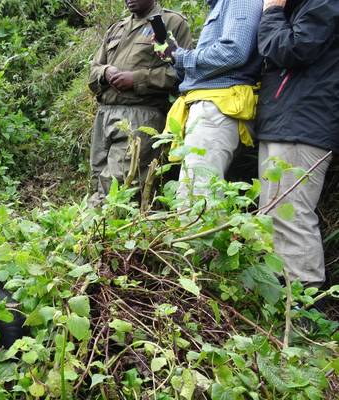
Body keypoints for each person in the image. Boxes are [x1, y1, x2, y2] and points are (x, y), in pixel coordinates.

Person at [256, 0, 339, 289]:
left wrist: (272, 12)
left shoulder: (325, 2)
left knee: (292, 216)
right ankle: (281, 304)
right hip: (283, 122)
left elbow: (292, 48)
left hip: (303, 124)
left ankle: (307, 309)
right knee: (273, 214)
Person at [88, 0, 192, 203]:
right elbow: (92, 71)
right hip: (105, 114)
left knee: (120, 187)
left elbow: (181, 73)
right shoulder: (117, 27)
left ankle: (107, 229)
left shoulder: (171, 22)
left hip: (141, 114)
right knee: (96, 181)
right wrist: (106, 71)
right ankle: (96, 231)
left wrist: (137, 79)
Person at [158, 0, 263, 198]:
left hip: (218, 107)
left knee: (197, 196)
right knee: (198, 193)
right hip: (213, 105)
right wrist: (174, 56)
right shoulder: (222, 4)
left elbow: (233, 52)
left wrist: (182, 57)